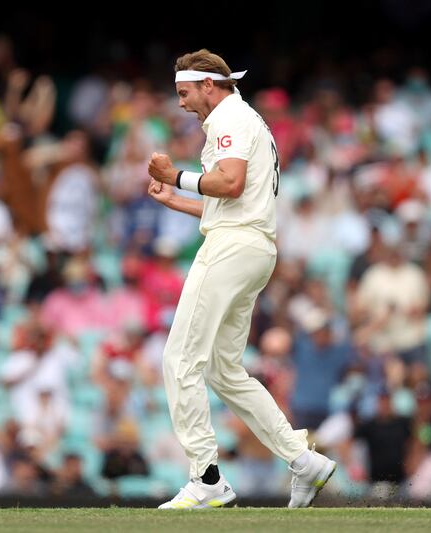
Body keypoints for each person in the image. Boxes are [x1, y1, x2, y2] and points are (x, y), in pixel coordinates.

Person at [146, 49, 336, 510]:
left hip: (232, 249)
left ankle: (206, 478)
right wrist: (177, 198)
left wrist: (176, 175)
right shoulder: (245, 120)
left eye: (185, 92)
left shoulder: (230, 118)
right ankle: (302, 459)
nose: (182, 103)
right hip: (252, 247)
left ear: (209, 85)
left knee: (180, 359)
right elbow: (233, 201)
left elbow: (229, 184)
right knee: (223, 370)